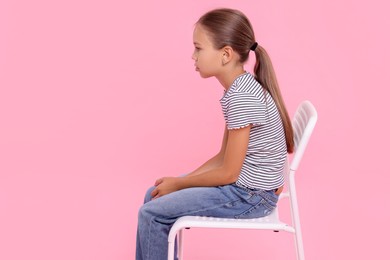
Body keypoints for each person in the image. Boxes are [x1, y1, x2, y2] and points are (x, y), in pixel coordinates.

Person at [136, 8, 294, 260]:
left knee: (151, 213)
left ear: (225, 54)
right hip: (245, 188)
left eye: (198, 48)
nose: (193, 56)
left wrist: (179, 183)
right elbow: (223, 157)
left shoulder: (242, 97)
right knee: (152, 195)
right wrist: (178, 182)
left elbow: (228, 172)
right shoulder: (239, 89)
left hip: (249, 196)